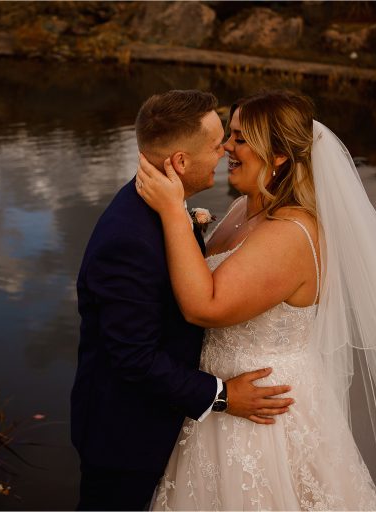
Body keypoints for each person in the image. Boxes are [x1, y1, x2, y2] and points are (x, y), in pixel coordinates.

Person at [135, 89, 376, 511]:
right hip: (223, 401)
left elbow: (204, 307)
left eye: (240, 138)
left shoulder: (291, 232)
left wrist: (172, 213)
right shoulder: (243, 211)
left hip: (265, 414)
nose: (226, 147)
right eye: (229, 135)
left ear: (279, 156)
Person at [70, 90, 297, 511]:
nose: (225, 150)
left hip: (173, 420)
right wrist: (223, 395)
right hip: (126, 437)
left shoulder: (161, 208)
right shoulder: (128, 238)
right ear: (179, 162)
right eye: (216, 144)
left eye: (232, 140)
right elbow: (133, 357)